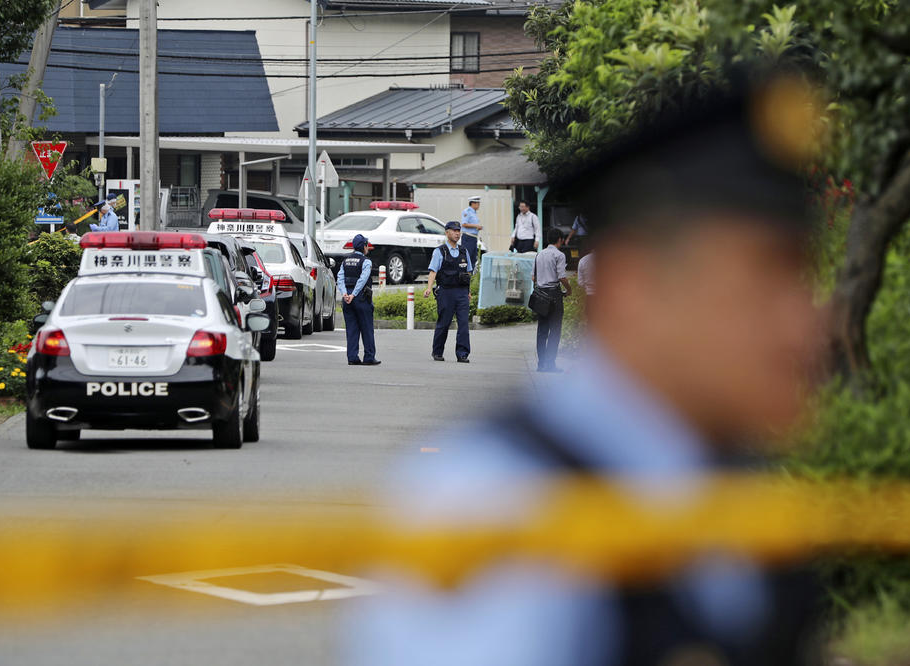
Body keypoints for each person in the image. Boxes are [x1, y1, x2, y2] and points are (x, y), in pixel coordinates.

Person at [346, 75, 826, 665]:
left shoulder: (741, 488)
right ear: (633, 290)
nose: (807, 325)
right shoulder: (504, 501)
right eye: (765, 279)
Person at [423, 220, 474, 363]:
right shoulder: (440, 251)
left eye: (459, 231)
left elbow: (468, 272)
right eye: (454, 231)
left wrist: (468, 291)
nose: (457, 233)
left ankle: (462, 354)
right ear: (447, 233)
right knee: (444, 323)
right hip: (446, 292)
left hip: (462, 293)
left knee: (463, 324)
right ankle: (437, 352)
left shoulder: (464, 251)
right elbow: (433, 271)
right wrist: (428, 288)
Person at [337, 234, 380, 366]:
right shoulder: (366, 261)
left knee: (351, 329)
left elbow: (340, 278)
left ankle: (352, 357)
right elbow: (363, 279)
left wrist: (345, 294)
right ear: (364, 246)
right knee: (366, 328)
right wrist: (354, 294)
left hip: (347, 298)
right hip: (360, 297)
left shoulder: (345, 261)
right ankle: (369, 357)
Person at [533, 227, 571, 372]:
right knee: (555, 331)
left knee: (542, 330)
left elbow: (533, 277)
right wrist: (569, 289)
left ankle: (541, 364)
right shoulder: (559, 255)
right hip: (554, 295)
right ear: (560, 240)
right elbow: (562, 277)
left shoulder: (539, 255)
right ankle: (550, 364)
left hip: (541, 294)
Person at [460, 196, 482, 265]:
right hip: (468, 237)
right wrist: (476, 226)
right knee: (467, 257)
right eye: (477, 203)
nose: (479, 205)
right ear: (473, 203)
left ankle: (471, 275)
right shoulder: (467, 212)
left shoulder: (474, 213)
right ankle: (465, 274)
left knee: (473, 258)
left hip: (473, 238)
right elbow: (464, 224)